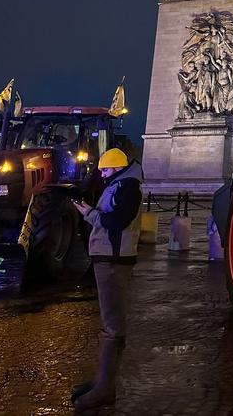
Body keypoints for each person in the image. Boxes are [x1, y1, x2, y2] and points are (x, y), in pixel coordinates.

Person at [71, 148, 143, 411]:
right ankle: (103, 382)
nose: (101, 174)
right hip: (108, 257)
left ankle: (105, 389)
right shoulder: (119, 184)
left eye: (105, 169)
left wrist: (89, 213)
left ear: (117, 167)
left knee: (113, 324)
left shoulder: (127, 187)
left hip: (114, 260)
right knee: (109, 321)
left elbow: (117, 222)